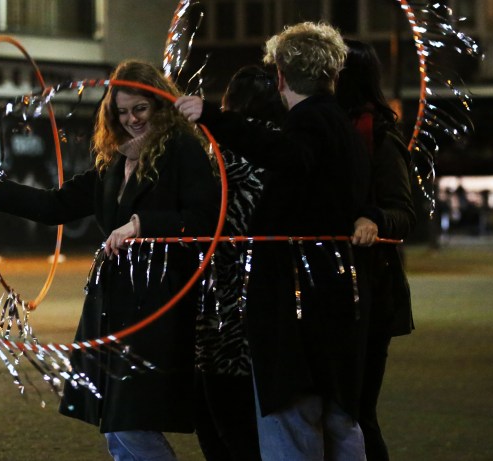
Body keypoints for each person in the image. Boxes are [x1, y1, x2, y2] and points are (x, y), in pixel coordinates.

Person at [0, 59, 221, 460]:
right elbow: (55, 205)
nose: (132, 120)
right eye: (121, 112)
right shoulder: (115, 160)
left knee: (128, 418)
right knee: (114, 421)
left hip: (157, 301)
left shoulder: (182, 150)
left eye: (140, 109)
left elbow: (205, 218)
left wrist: (141, 224)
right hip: (112, 302)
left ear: (160, 104)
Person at [176, 22, 372, 460]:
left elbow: (288, 154)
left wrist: (213, 117)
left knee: (293, 422)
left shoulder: (309, 123)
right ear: (333, 73)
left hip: (298, 304)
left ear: (281, 76)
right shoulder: (344, 129)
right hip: (336, 295)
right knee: (339, 423)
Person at [193, 64, 285, 461]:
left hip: (221, 294)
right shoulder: (287, 148)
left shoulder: (219, 155)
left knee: (221, 412)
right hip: (271, 294)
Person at [337, 38, 417, 461]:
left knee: (357, 413)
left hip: (371, 291)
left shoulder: (381, 137)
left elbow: (403, 212)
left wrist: (373, 220)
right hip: (328, 292)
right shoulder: (318, 128)